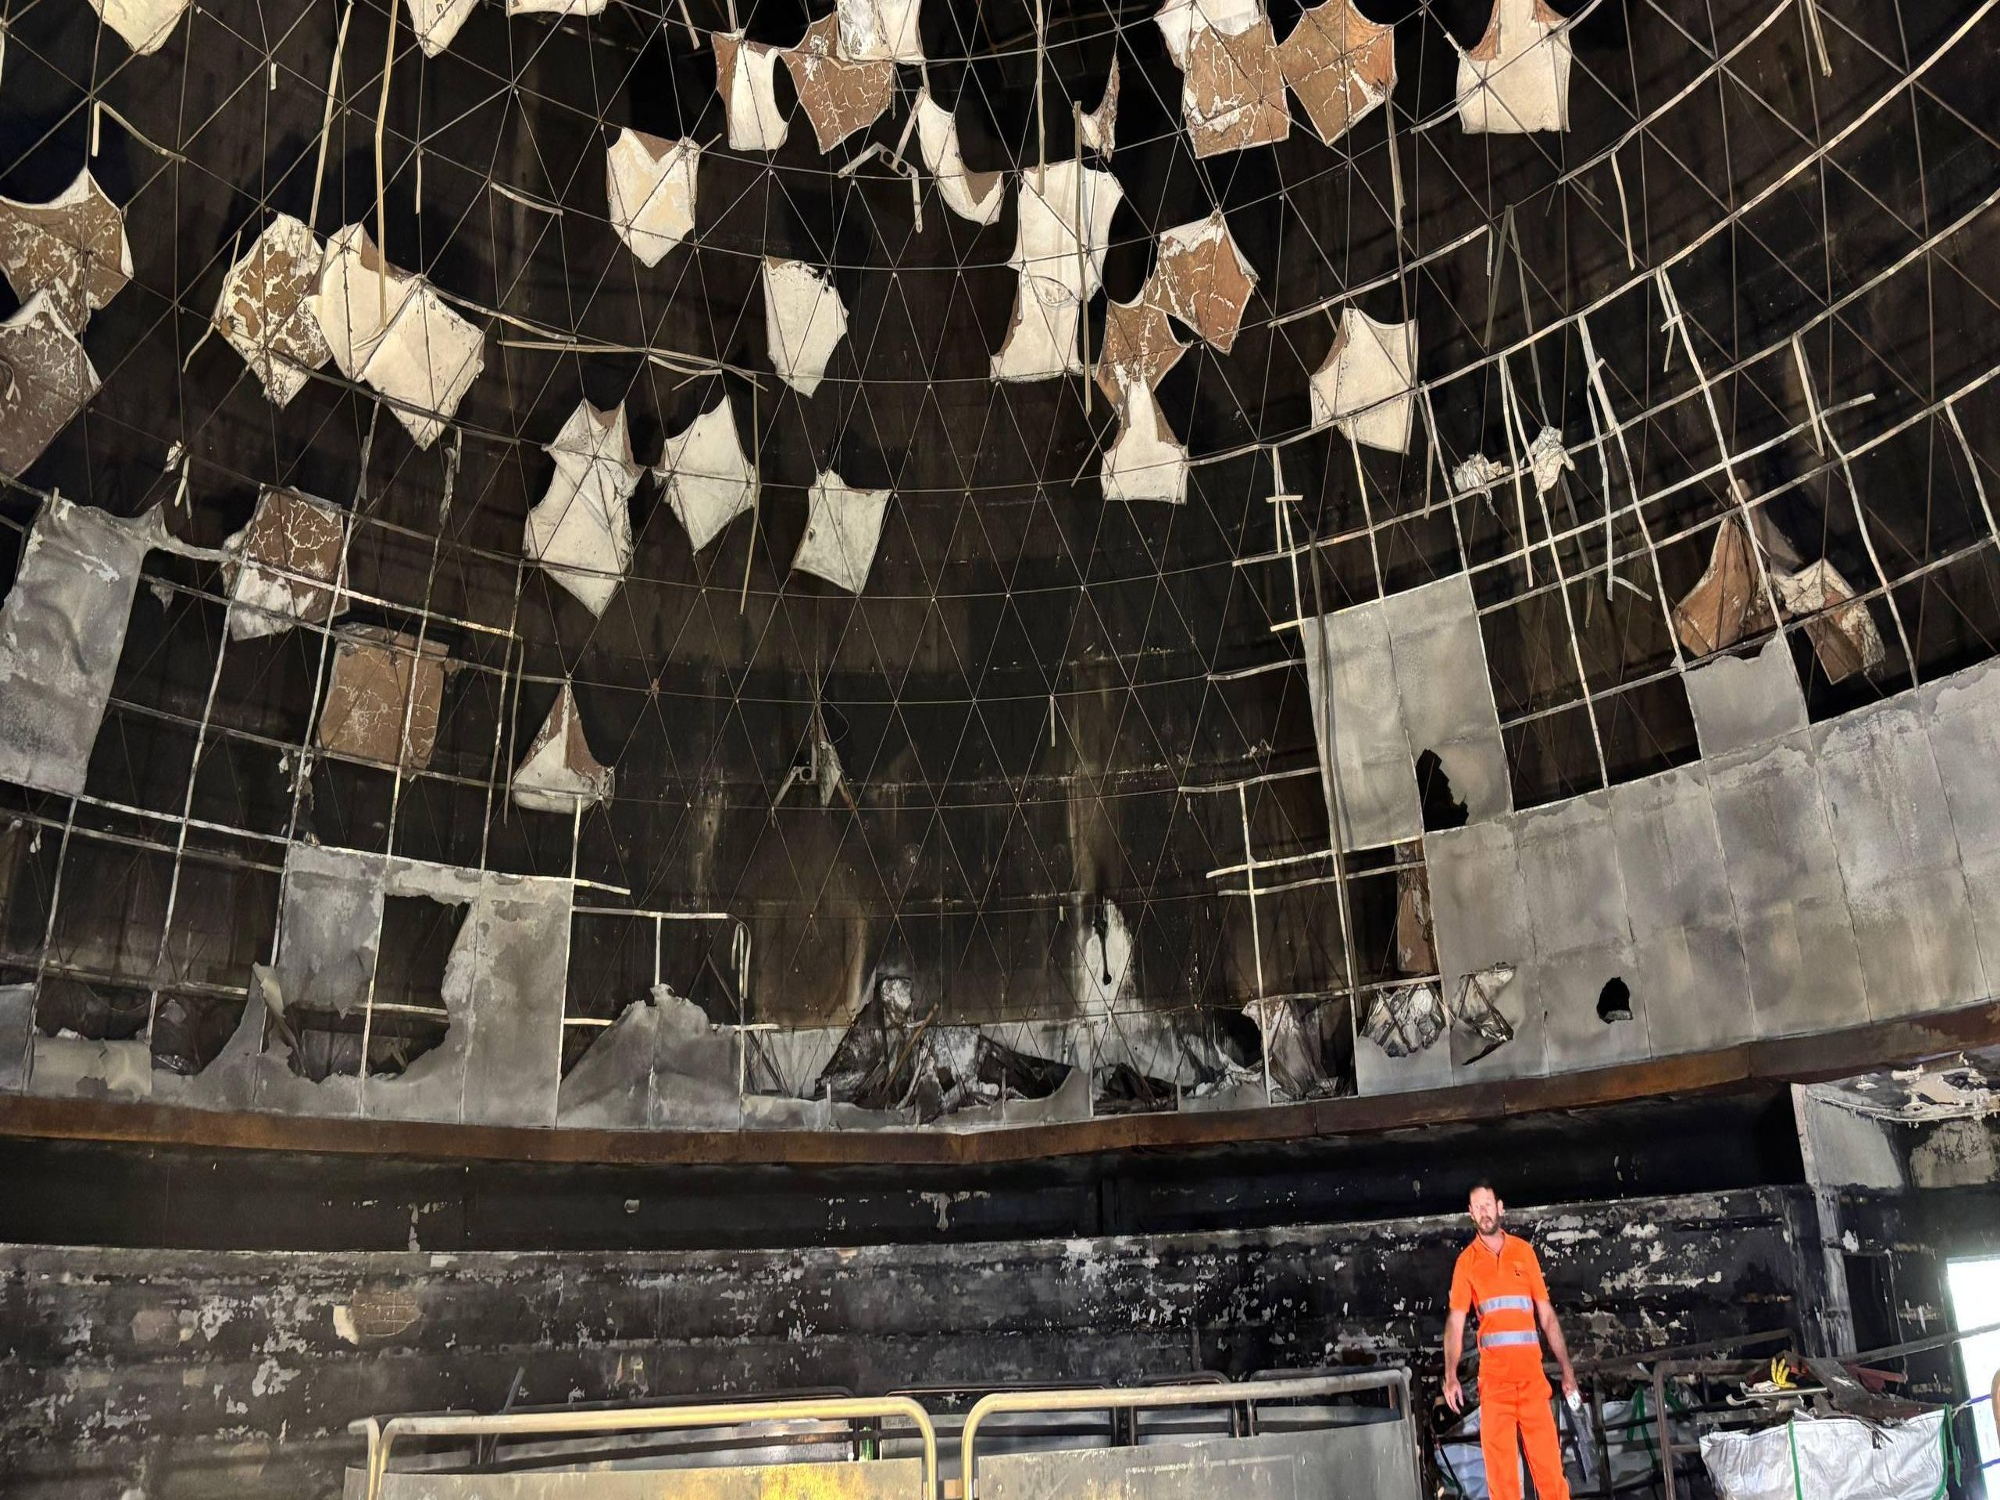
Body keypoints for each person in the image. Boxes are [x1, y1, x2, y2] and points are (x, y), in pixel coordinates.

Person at [1442, 1181, 1579, 1500]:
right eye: (1477, 1207)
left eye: (1488, 1204)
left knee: (1551, 1478)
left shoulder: (1524, 1253)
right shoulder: (1467, 1263)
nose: (1484, 1212)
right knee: (1502, 1484)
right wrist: (1450, 1376)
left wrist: (1567, 1371)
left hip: (1532, 1382)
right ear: (1471, 1214)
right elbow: (1455, 1322)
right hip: (1496, 1386)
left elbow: (1546, 1317)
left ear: (1500, 1207)